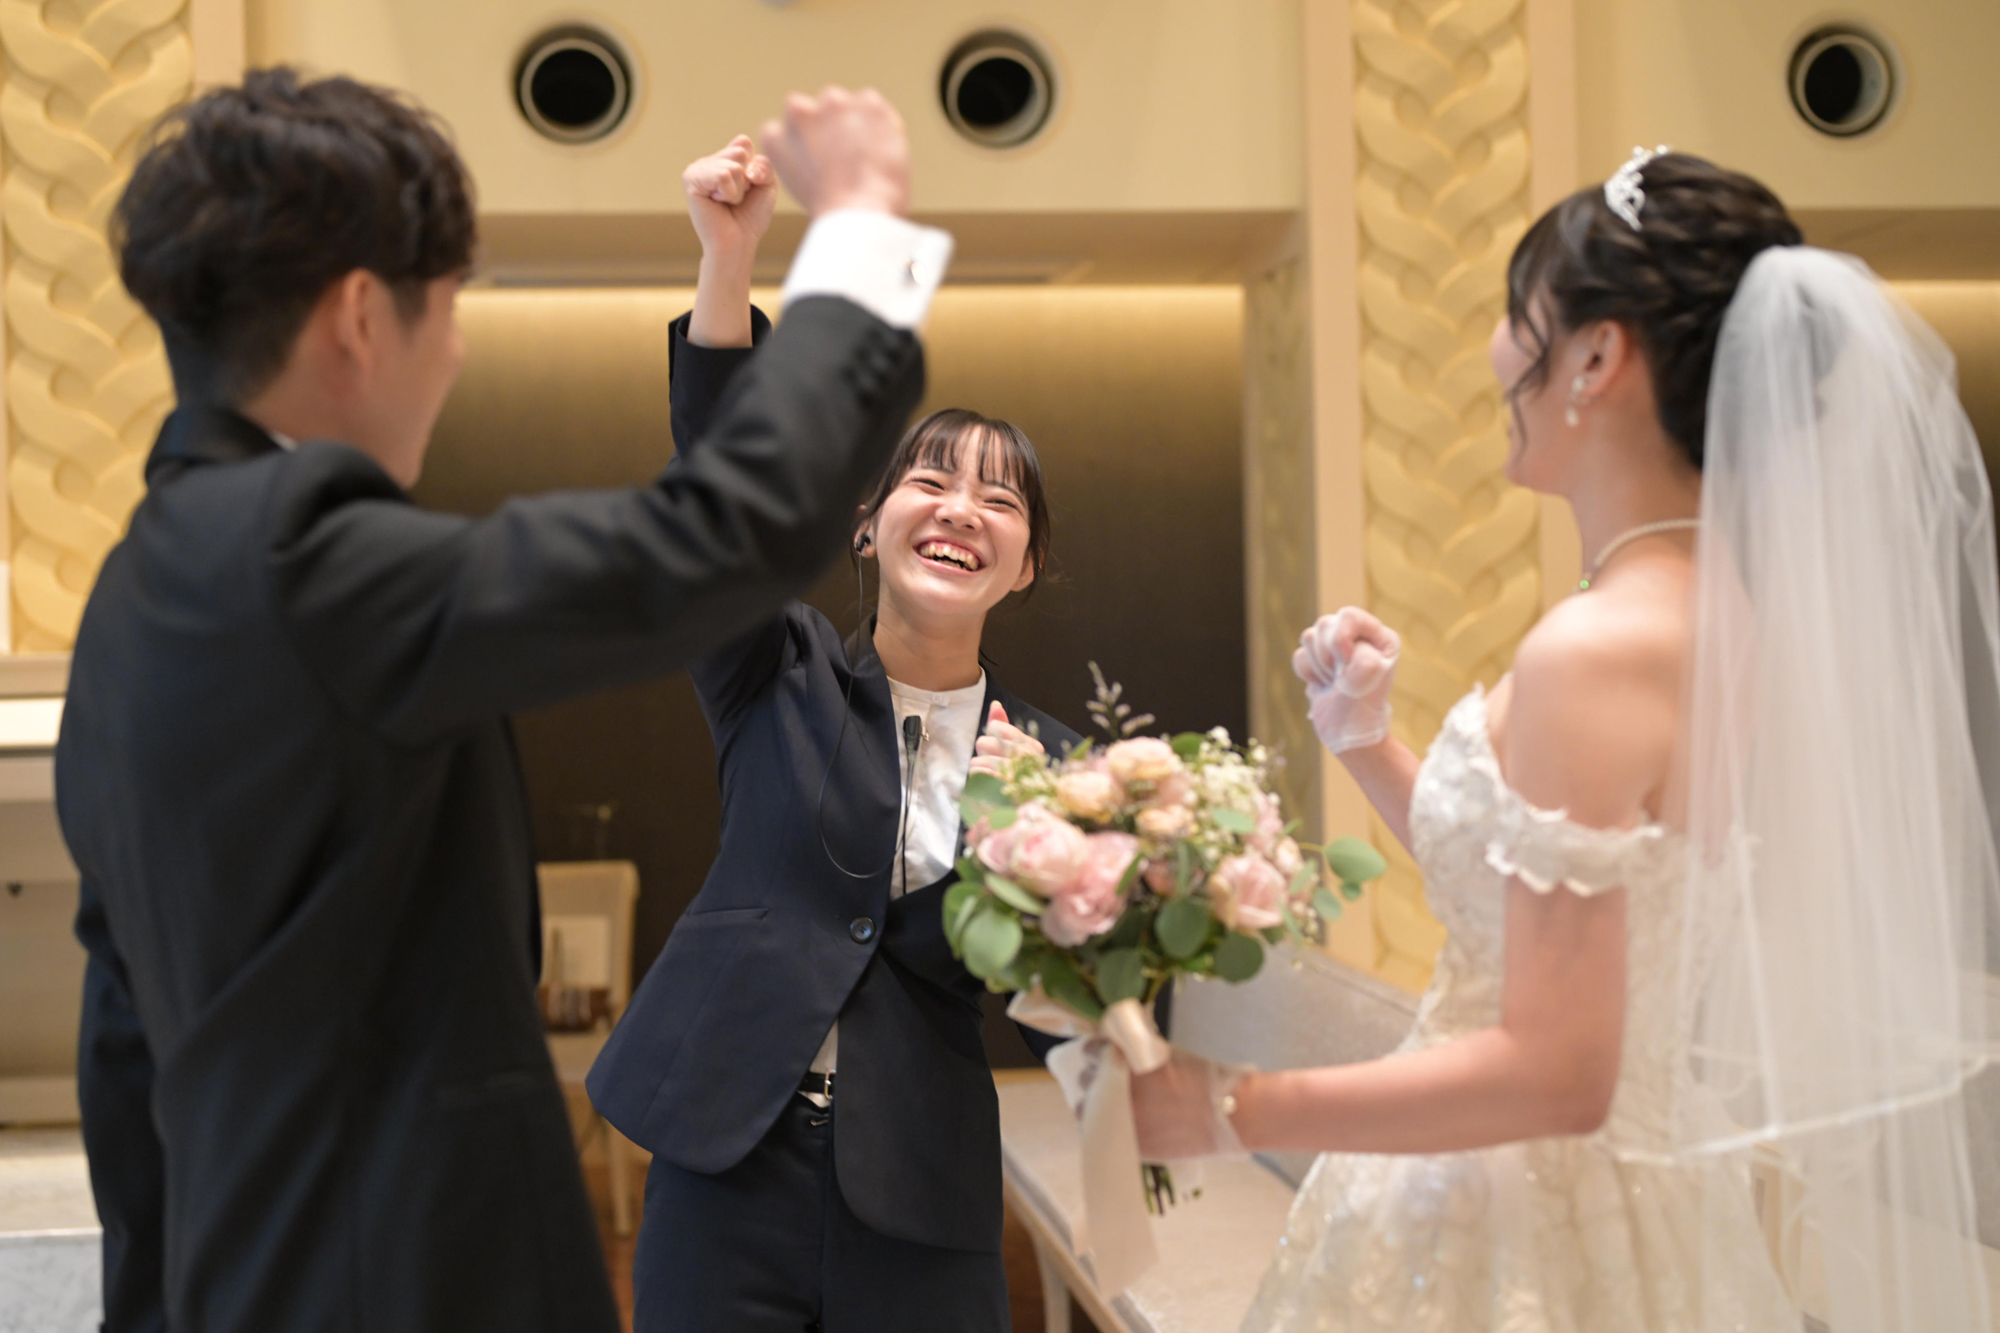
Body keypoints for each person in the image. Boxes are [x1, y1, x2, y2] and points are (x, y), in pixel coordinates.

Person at [57, 71, 946, 1333]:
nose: (457, 348)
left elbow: (123, 1053)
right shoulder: (302, 557)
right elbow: (719, 538)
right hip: (405, 1285)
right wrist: (859, 234)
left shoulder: (132, 597)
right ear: (360, 316)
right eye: (448, 303)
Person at [1132, 150, 1997, 1331]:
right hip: (1644, 1201)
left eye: (1515, 314)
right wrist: (1363, 740)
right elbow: (1546, 918)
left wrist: (1232, 1106)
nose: (1497, 352)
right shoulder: (1724, 614)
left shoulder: (1596, 648)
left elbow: (1555, 1071)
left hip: (1513, 1220)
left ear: (1593, 356)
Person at [586, 138, 1079, 1333]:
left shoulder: (1058, 767)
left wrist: (1052, 888)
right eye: (930, 483)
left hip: (919, 1184)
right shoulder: (778, 669)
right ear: (866, 526)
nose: (961, 509)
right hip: (728, 1154)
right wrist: (728, 259)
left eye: (999, 499)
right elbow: (720, 497)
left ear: (1024, 566)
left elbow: (1062, 1008)